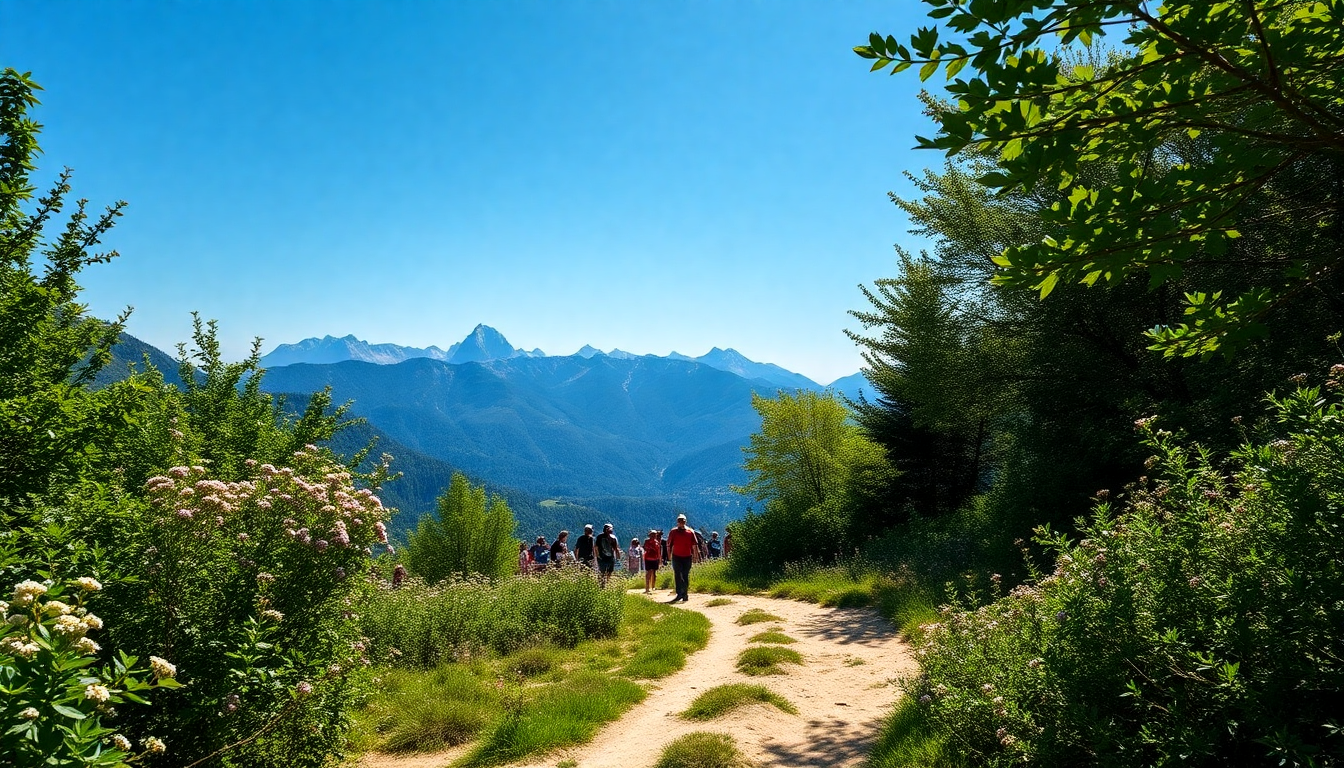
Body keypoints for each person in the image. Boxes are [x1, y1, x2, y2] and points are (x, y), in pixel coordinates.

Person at [666, 514, 697, 602]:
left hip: (687, 556)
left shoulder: (690, 532)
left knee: (685, 575)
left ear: (685, 521)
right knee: (677, 575)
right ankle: (679, 593)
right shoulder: (673, 532)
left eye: (682, 520)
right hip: (676, 556)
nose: (681, 522)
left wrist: (695, 557)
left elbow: (694, 545)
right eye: (679, 520)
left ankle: (685, 593)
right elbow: (669, 544)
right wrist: (669, 555)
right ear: (677, 522)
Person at [595, 523, 620, 587]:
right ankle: (602, 585)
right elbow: (596, 547)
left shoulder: (612, 538)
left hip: (609, 557)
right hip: (603, 557)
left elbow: (616, 548)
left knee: (609, 571)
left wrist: (617, 556)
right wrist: (597, 555)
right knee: (603, 571)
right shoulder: (600, 537)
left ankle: (605, 584)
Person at [642, 529, 661, 594]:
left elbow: (658, 551)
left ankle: (653, 586)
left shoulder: (657, 542)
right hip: (648, 559)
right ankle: (647, 587)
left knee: (654, 573)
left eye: (654, 535)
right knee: (649, 572)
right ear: (650, 535)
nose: (653, 536)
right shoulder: (647, 541)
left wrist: (659, 559)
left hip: (655, 559)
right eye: (652, 535)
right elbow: (645, 548)